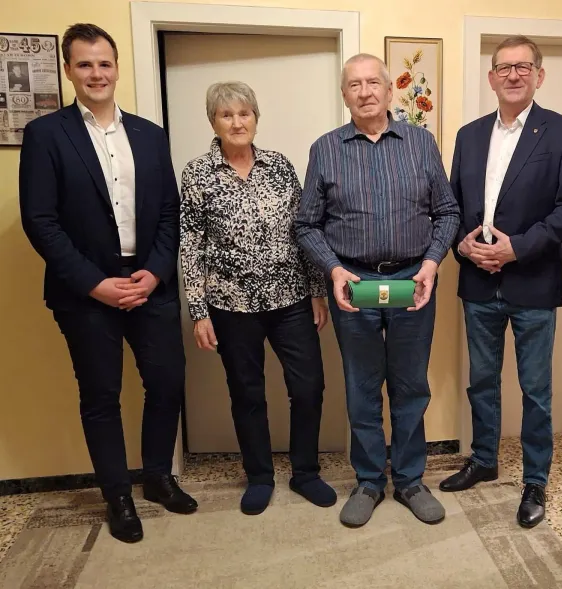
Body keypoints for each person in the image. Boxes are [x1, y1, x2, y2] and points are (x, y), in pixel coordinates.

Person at [19, 23, 197, 544]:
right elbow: (40, 221)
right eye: (84, 64)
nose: (96, 73)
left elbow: (169, 211)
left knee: (166, 384)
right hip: (86, 293)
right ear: (70, 72)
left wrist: (157, 271)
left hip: (150, 284)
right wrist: (96, 284)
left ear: (116, 68)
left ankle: (158, 477)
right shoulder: (47, 134)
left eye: (104, 63)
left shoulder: (148, 134)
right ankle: (117, 495)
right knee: (102, 395)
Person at [295, 53, 460, 528]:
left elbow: (447, 212)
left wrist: (430, 264)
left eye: (374, 82)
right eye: (354, 84)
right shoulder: (325, 149)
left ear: (390, 91)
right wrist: (333, 271)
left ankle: (409, 480)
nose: (365, 91)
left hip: (412, 281)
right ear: (343, 94)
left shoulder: (421, 143)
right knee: (362, 388)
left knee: (410, 386)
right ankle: (369, 480)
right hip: (355, 286)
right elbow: (307, 225)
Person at [440, 35, 562, 530]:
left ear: (539, 75)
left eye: (524, 66)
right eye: (504, 67)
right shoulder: (469, 135)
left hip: (532, 283)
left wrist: (516, 247)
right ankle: (483, 460)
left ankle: (535, 481)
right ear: (491, 77)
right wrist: (462, 243)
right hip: (478, 282)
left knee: (535, 390)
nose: (514, 75)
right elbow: (453, 204)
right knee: (481, 382)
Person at [179, 81, 336, 516]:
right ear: (213, 121)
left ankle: (305, 471)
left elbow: (303, 230)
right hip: (231, 305)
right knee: (247, 392)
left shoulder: (280, 166)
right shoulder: (197, 174)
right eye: (226, 115)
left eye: (244, 113)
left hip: (290, 299)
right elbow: (190, 245)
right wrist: (198, 311)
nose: (237, 122)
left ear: (256, 118)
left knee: (308, 387)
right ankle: (260, 476)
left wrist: (316, 291)